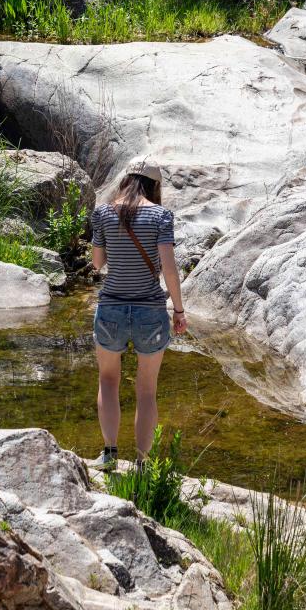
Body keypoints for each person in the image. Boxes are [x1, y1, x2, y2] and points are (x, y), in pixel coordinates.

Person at [90, 156, 187, 469]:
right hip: (150, 311)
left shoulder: (103, 212)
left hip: (111, 309)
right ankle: (144, 463)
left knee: (108, 381)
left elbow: (97, 263)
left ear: (125, 180)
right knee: (147, 390)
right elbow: (169, 269)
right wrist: (179, 310)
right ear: (154, 186)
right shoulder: (161, 216)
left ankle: (109, 454)